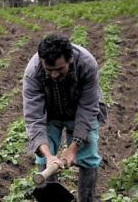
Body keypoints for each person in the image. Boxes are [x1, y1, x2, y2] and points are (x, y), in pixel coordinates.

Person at [22, 34, 107, 202]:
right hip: (50, 112)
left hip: (79, 110)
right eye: (49, 70)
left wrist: (72, 150)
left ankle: (86, 199)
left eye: (59, 69)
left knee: (88, 156)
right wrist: (48, 156)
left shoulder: (86, 64)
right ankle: (51, 198)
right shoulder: (33, 72)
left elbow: (88, 109)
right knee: (43, 155)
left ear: (70, 60)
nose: (53, 75)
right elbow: (34, 118)